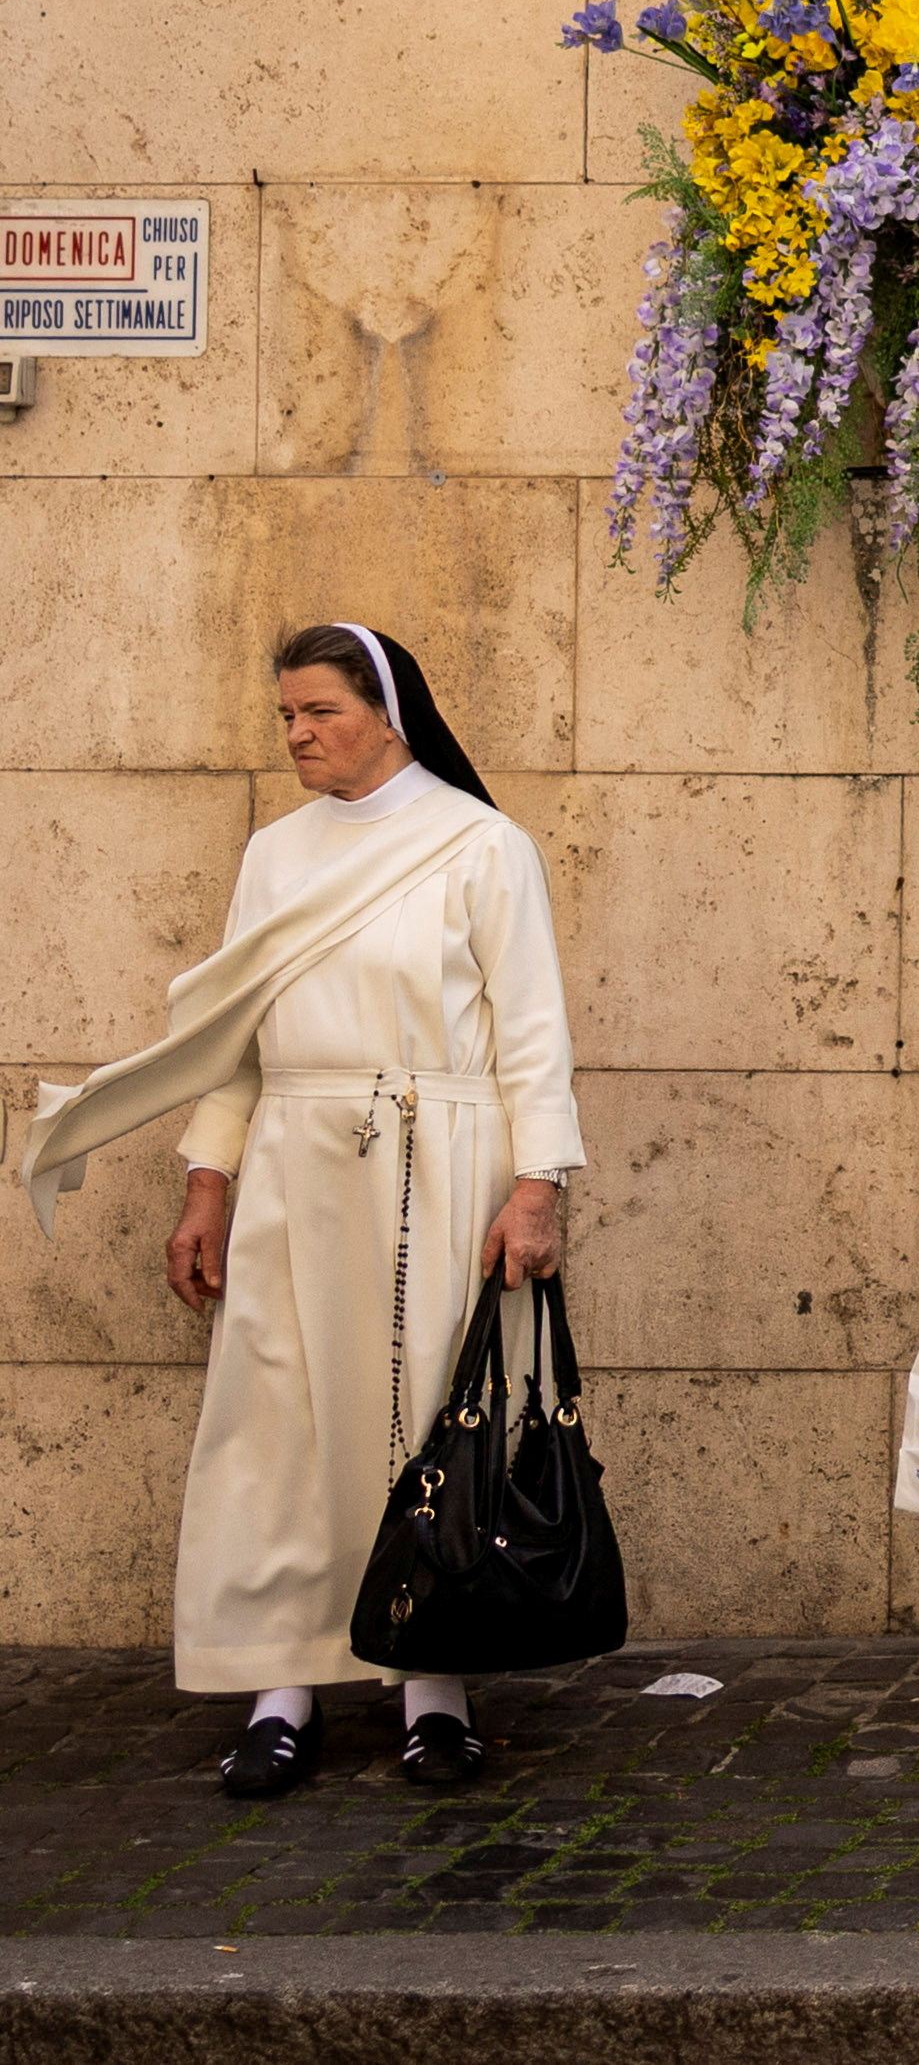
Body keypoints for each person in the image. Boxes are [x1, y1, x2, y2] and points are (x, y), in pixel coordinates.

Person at [23, 625, 581, 1797]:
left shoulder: (482, 844)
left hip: (442, 1156)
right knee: (274, 1415)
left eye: (318, 710)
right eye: (285, 714)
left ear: (386, 710)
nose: (296, 733)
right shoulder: (275, 855)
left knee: (427, 1419)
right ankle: (279, 1687)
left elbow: (533, 1027)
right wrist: (206, 1182)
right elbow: (233, 1039)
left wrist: (539, 1186)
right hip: (294, 1159)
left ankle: (434, 1688)